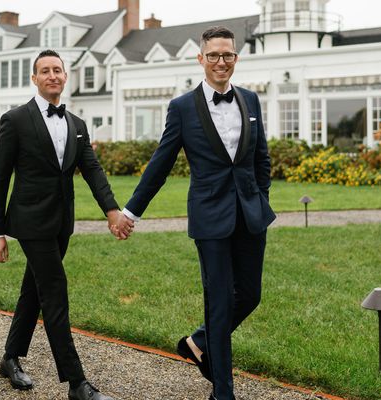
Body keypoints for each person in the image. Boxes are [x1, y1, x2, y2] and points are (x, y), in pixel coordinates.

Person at [115, 26, 275, 400]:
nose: (222, 62)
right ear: (201, 59)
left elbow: (261, 158)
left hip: (251, 216)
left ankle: (198, 342)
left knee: (249, 295)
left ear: (236, 58)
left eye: (228, 55)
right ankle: (223, 392)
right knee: (219, 301)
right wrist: (131, 212)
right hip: (210, 218)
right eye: (214, 55)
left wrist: (261, 199)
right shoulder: (183, 108)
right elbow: (160, 164)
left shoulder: (251, 100)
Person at [0, 49, 129, 400]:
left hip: (62, 222)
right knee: (55, 292)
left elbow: (93, 170)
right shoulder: (15, 119)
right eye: (44, 71)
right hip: (30, 222)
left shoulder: (77, 125)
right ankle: (77, 383)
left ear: (66, 77)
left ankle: (10, 357)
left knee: (33, 291)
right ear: (34, 78)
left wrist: (111, 209)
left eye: (58, 70)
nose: (52, 75)